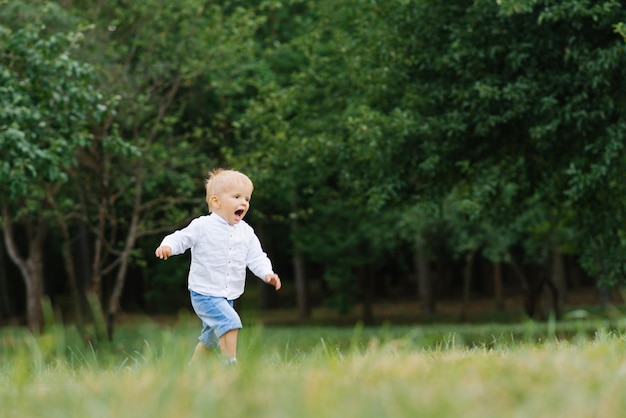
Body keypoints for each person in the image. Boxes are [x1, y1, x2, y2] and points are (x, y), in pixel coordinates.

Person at [155, 168, 281, 365]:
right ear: (216, 201)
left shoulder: (246, 232)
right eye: (237, 197)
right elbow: (181, 237)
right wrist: (168, 246)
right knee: (230, 322)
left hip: (227, 294)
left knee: (211, 338)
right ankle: (230, 363)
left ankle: (192, 369)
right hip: (204, 293)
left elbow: (256, 256)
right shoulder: (203, 226)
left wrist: (267, 273)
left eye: (247, 199)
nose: (244, 203)